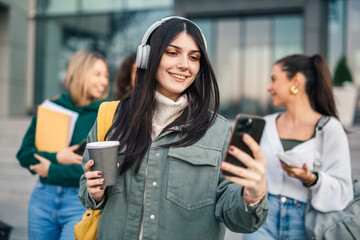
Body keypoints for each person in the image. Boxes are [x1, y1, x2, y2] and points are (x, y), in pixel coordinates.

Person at [78, 16, 268, 240]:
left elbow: (238, 219)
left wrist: (253, 195)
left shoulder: (218, 131)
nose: (184, 65)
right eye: (172, 52)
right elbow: (86, 187)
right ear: (147, 58)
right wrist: (94, 193)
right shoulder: (111, 117)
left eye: (194, 57)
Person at [243, 54, 354, 240]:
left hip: (306, 224)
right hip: (262, 217)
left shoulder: (329, 128)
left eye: (274, 79)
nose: (269, 88)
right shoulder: (265, 124)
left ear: (296, 81)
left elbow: (344, 191)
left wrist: (311, 178)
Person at [16, 50, 109, 240]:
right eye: (98, 74)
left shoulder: (105, 114)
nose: (104, 81)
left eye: (106, 76)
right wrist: (58, 157)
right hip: (43, 198)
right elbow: (24, 154)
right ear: (80, 73)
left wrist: (52, 170)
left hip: (79, 202)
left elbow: (102, 172)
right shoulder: (52, 107)